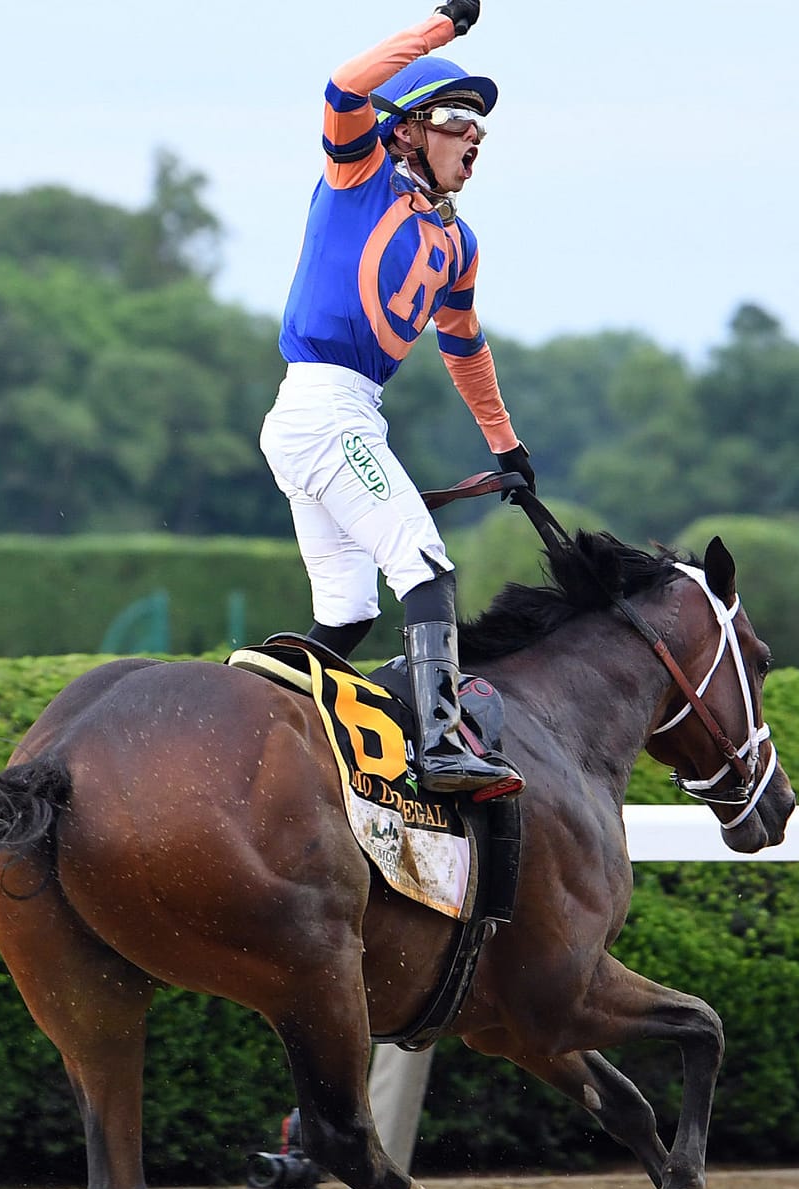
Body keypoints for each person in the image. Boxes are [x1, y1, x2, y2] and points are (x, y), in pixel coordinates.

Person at [259, 0, 526, 798]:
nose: (474, 135)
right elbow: (345, 86)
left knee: (349, 612)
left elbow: (464, 345)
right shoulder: (358, 172)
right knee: (428, 570)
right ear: (407, 131)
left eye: (480, 126)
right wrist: (443, 25)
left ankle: (257, 723)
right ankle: (442, 747)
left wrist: (506, 446)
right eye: (455, 119)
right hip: (324, 411)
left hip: (338, 415)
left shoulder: (459, 243)